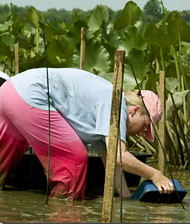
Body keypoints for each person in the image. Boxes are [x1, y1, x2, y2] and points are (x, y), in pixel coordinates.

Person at [0, 68, 174, 200]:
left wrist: (127, 199)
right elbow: (120, 156)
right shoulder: (116, 103)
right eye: (144, 126)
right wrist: (155, 175)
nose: (142, 134)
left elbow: (112, 162)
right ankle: (63, 213)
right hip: (32, 93)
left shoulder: (108, 107)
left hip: (9, 90)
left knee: (4, 159)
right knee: (74, 158)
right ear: (135, 111)